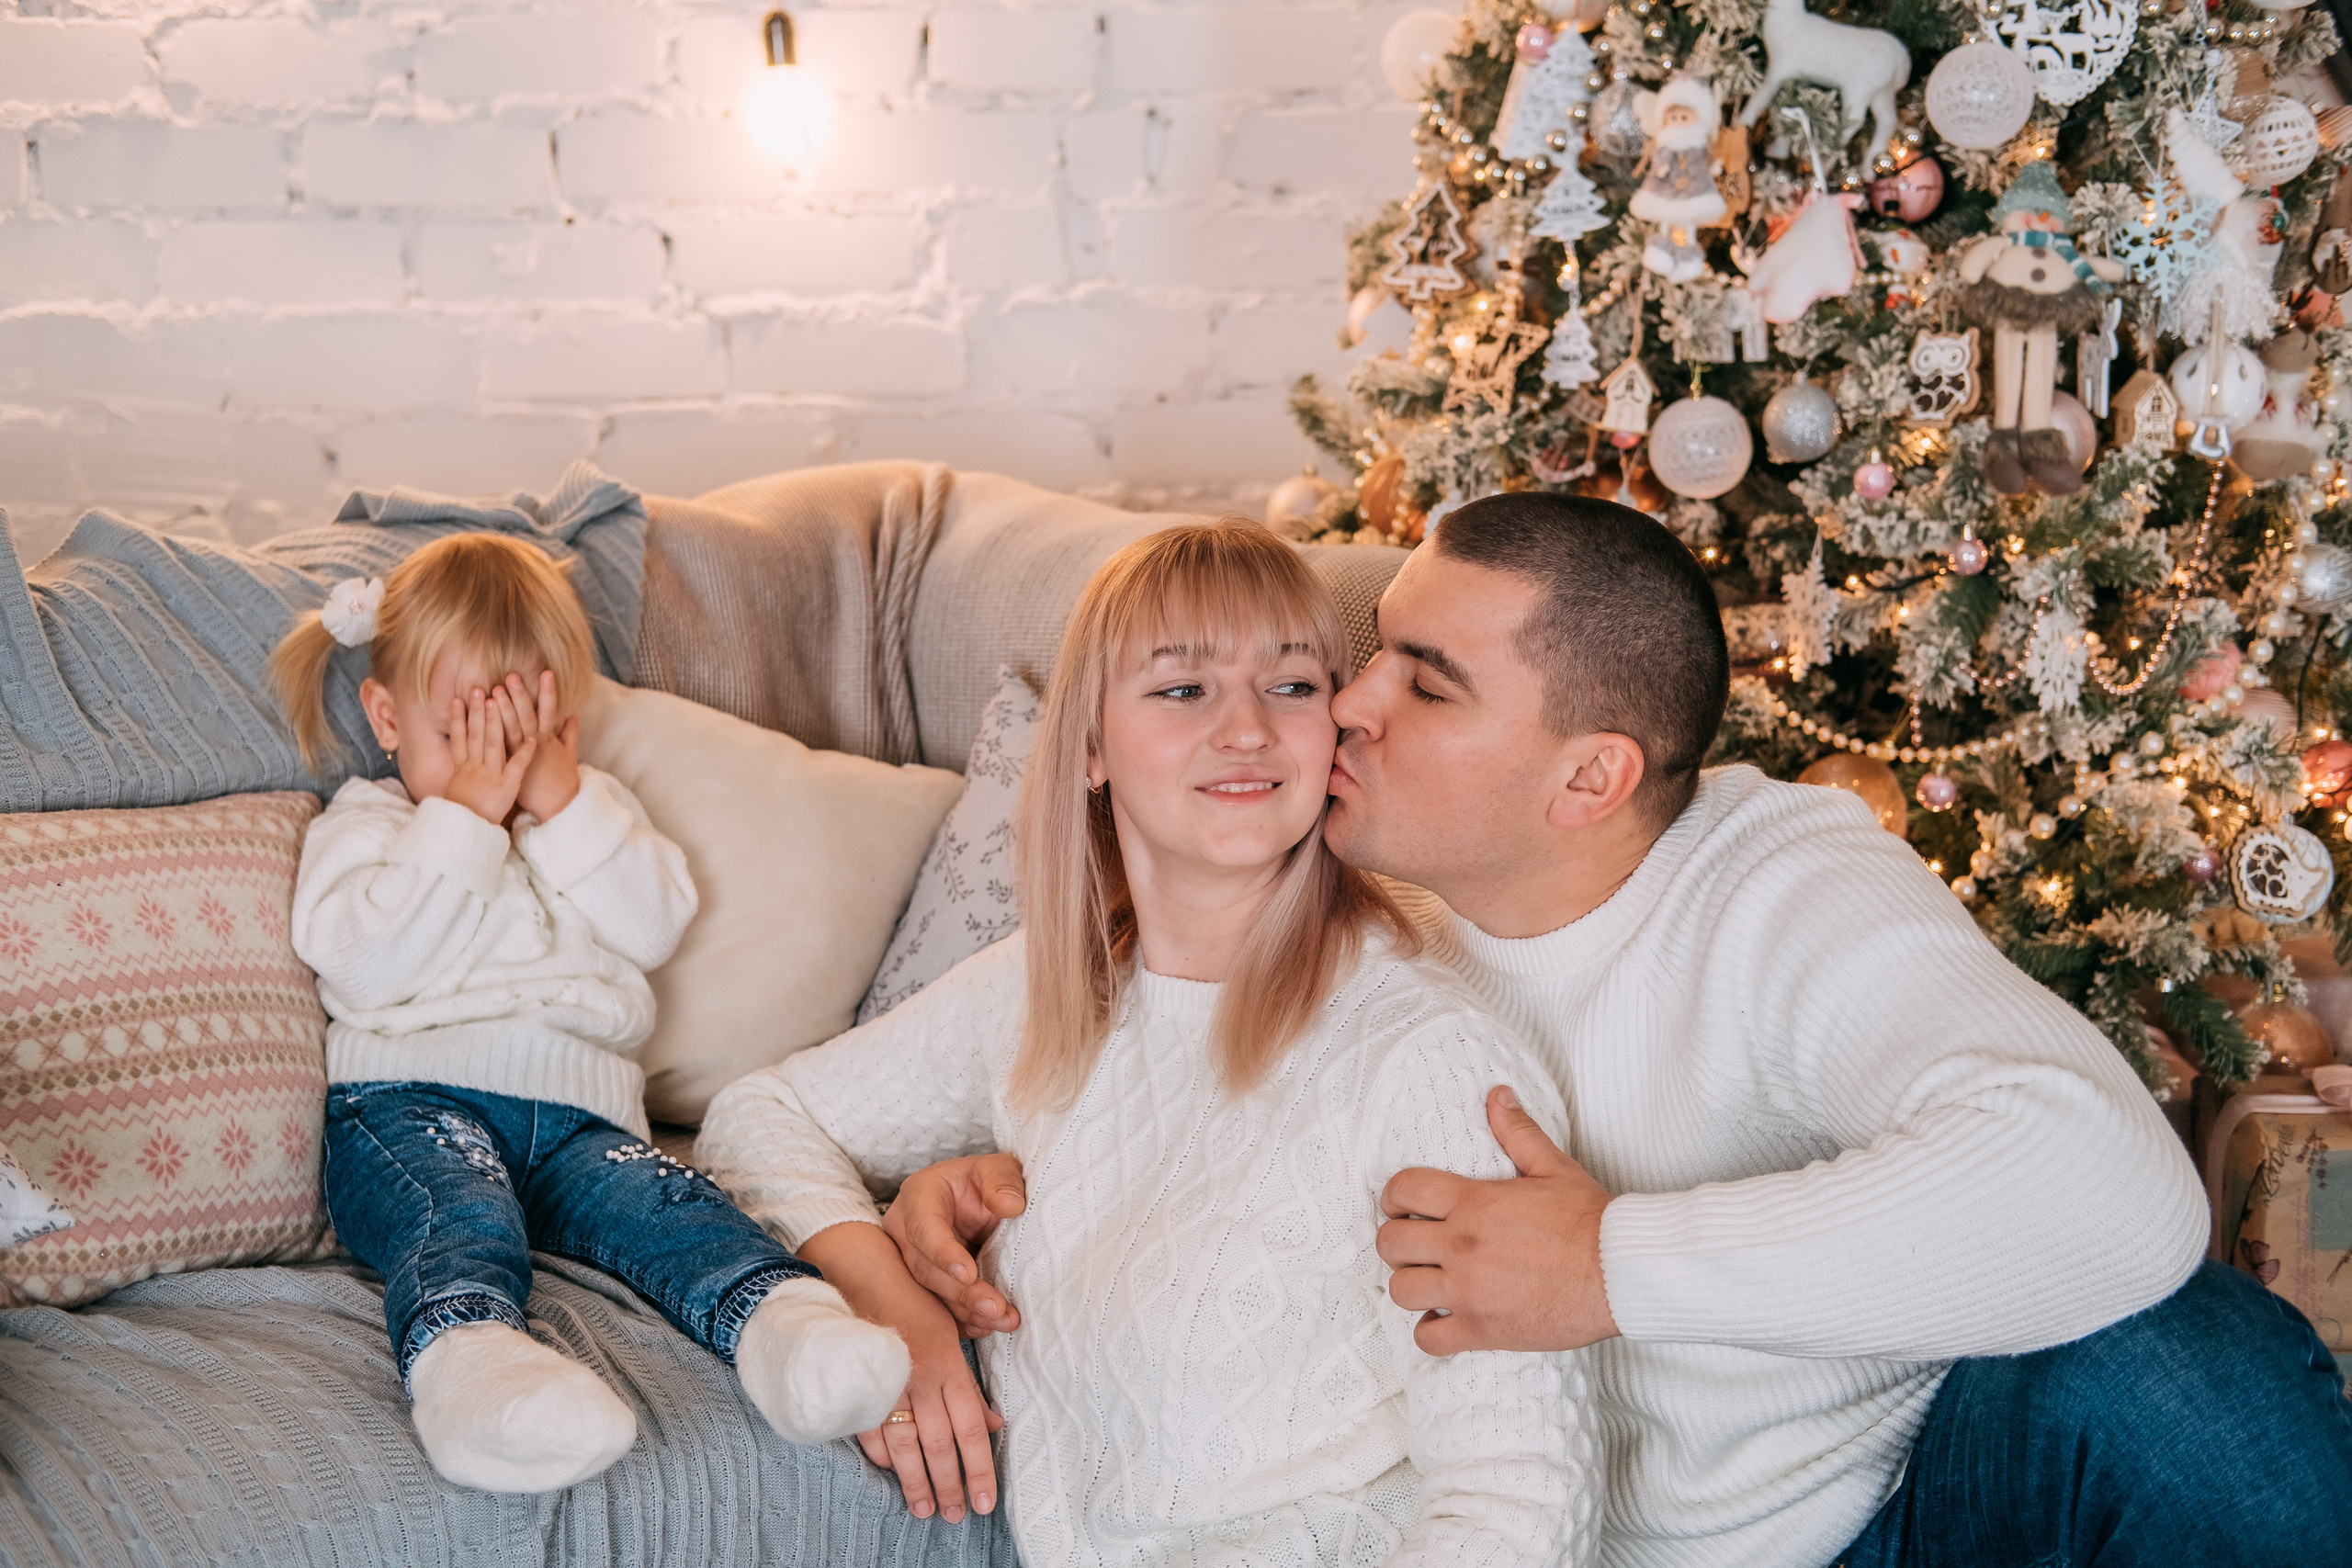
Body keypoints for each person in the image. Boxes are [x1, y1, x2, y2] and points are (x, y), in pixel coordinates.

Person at [891, 493, 2352, 1566]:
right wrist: (966, 1179)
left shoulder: (1780, 882)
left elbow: (2103, 1181)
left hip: (1893, 1507)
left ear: (1590, 776)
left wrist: (1608, 1261)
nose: (1345, 704)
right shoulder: (1315, 861)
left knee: (2183, 1360)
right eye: (1373, 650)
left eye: (1426, 681)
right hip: (1528, 1531)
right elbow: (1132, 1058)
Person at [695, 521, 1600, 1566]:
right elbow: (762, 1115)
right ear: (1087, 745)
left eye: (1293, 686)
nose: (1248, 730)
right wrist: (892, 1299)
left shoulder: (1426, 1062)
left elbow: (1522, 1507)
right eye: (1182, 690)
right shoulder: (1053, 990)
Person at [271, 534, 910, 1495]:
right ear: (386, 716)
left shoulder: (590, 810)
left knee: (673, 1206)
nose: (493, 767)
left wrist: (561, 801)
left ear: (560, 720)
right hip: (407, 1103)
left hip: (583, 1124)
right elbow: (366, 970)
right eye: (463, 739)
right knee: (457, 1214)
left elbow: (652, 925)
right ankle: (475, 1377)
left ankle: (790, 1334)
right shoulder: (368, 827)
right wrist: (470, 818)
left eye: (517, 735)